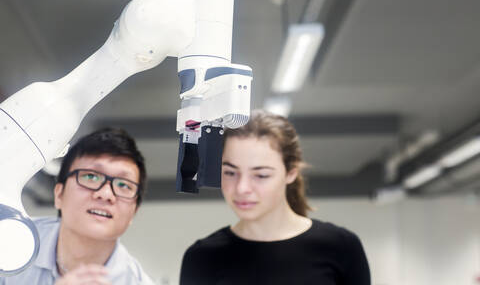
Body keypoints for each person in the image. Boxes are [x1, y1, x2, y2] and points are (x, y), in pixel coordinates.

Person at [180, 110, 371, 285]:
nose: (242, 188)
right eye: (230, 173)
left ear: (291, 173)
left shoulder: (341, 248)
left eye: (261, 175)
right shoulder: (201, 257)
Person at [0, 128, 155, 285]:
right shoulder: (11, 242)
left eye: (123, 184)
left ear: (134, 211)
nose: (106, 194)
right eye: (91, 176)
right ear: (59, 194)